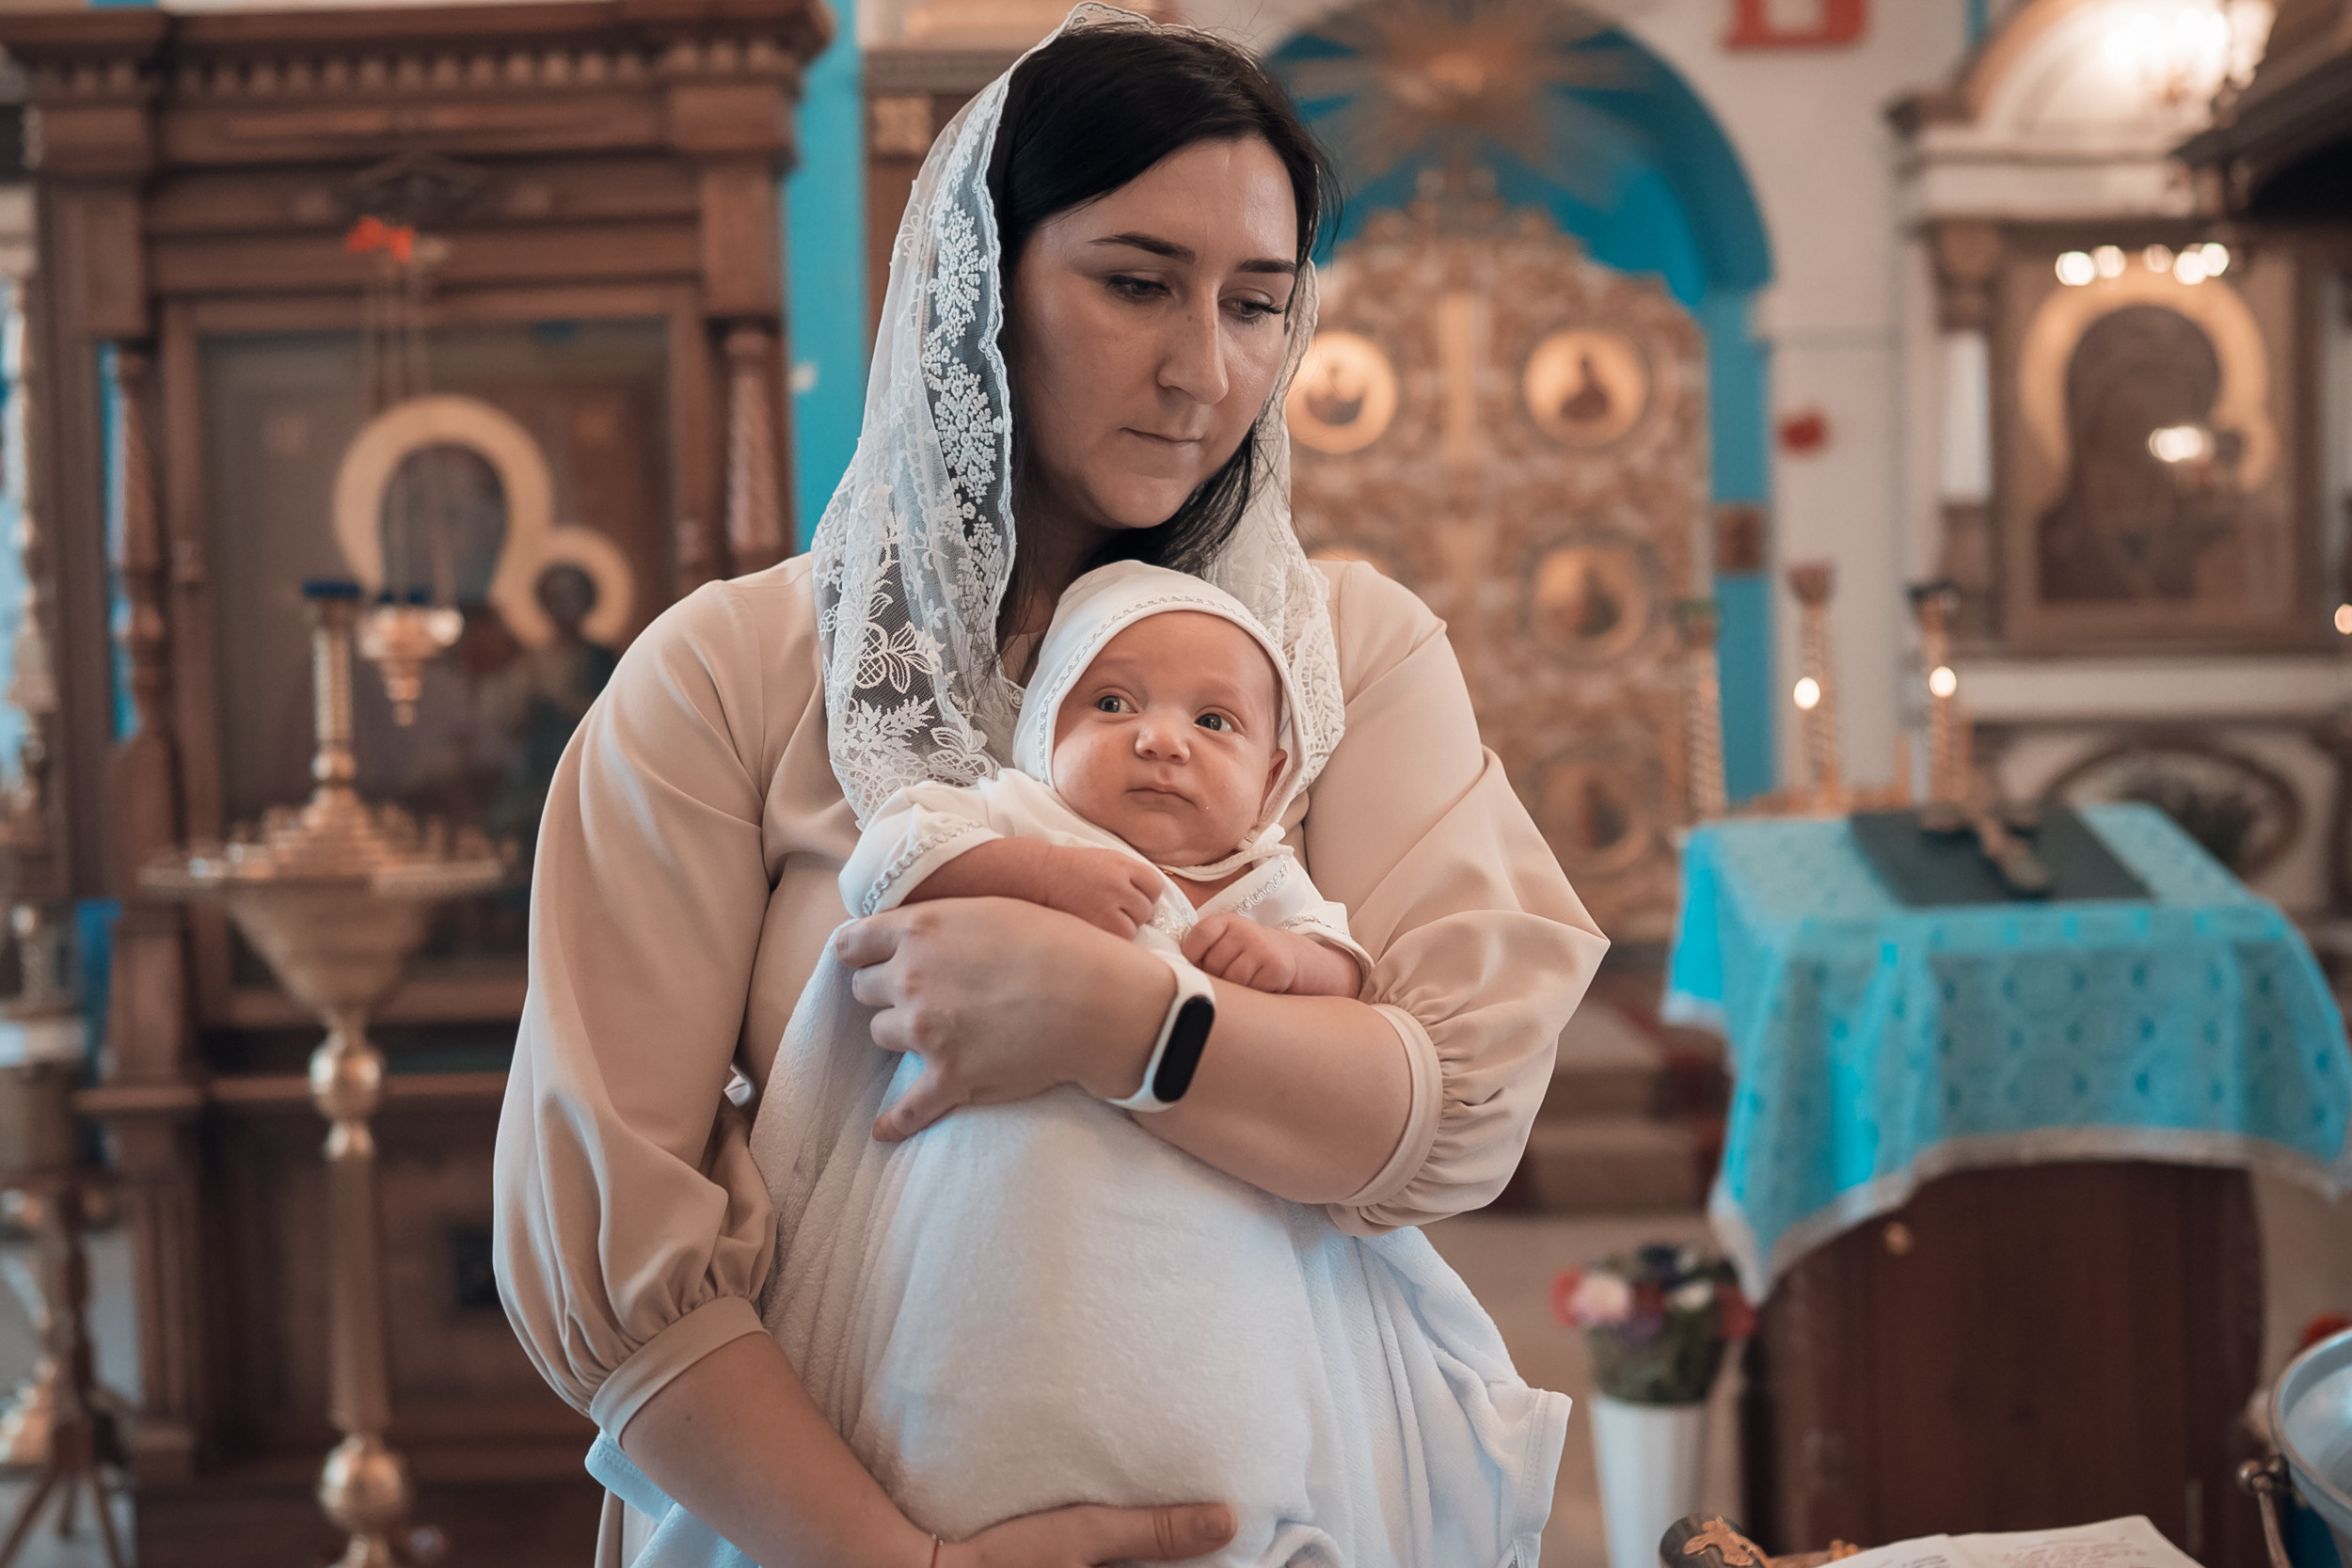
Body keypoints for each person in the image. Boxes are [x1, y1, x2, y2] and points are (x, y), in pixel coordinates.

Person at [492, 9, 1609, 1566]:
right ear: (981, 285)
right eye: (1137, 283)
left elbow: (1446, 1118)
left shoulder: (1341, 656)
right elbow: (607, 1241)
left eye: (1257, 303)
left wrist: (1124, 1021)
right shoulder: (734, 675)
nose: (1201, 367)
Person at [726, 562, 1564, 1565]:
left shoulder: (1262, 877)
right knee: (958, 1394)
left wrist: (1290, 962)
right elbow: (885, 861)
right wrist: (1034, 870)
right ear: (1041, 731)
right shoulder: (1015, 814)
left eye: (1215, 722)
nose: (1160, 737)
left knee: (1223, 1423)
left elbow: (1347, 967)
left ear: (1270, 776)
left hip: (1200, 1254)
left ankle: (1241, 1507)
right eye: (1112, 701)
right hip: (987, 1227)